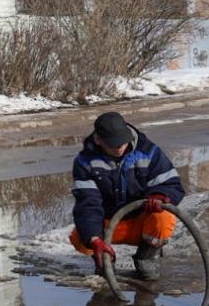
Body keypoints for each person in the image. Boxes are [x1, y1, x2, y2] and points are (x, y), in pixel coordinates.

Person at [68, 111, 184, 283]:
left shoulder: (149, 152)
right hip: (109, 225)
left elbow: (171, 184)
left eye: (122, 141)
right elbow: (88, 203)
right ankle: (105, 259)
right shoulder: (85, 162)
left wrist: (159, 196)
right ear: (99, 140)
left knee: (164, 218)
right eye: (113, 144)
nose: (120, 147)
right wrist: (94, 239)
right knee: (81, 236)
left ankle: (146, 258)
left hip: (141, 222)